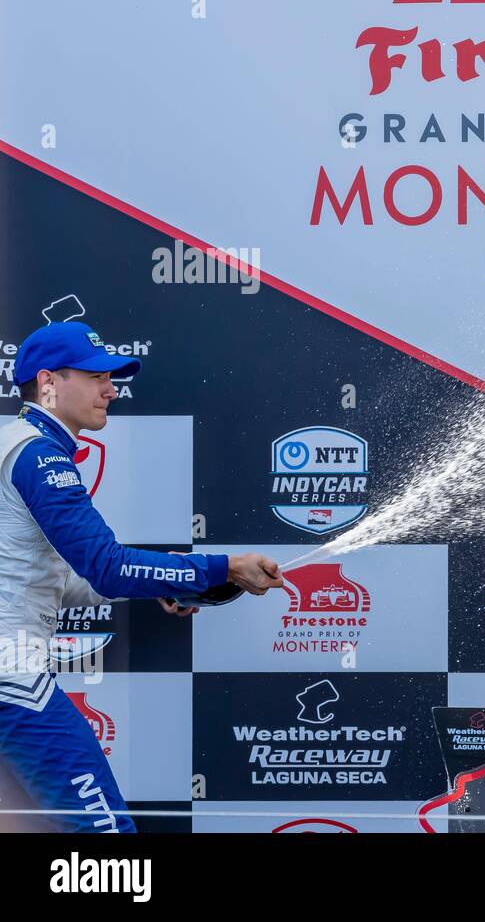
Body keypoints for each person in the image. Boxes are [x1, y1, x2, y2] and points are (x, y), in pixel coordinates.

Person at [0, 321, 283, 832]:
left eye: (111, 377)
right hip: (11, 676)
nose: (111, 389)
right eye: (95, 376)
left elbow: (53, 578)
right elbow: (106, 567)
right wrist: (222, 567)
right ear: (48, 382)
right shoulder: (37, 455)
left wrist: (168, 579)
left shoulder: (21, 445)